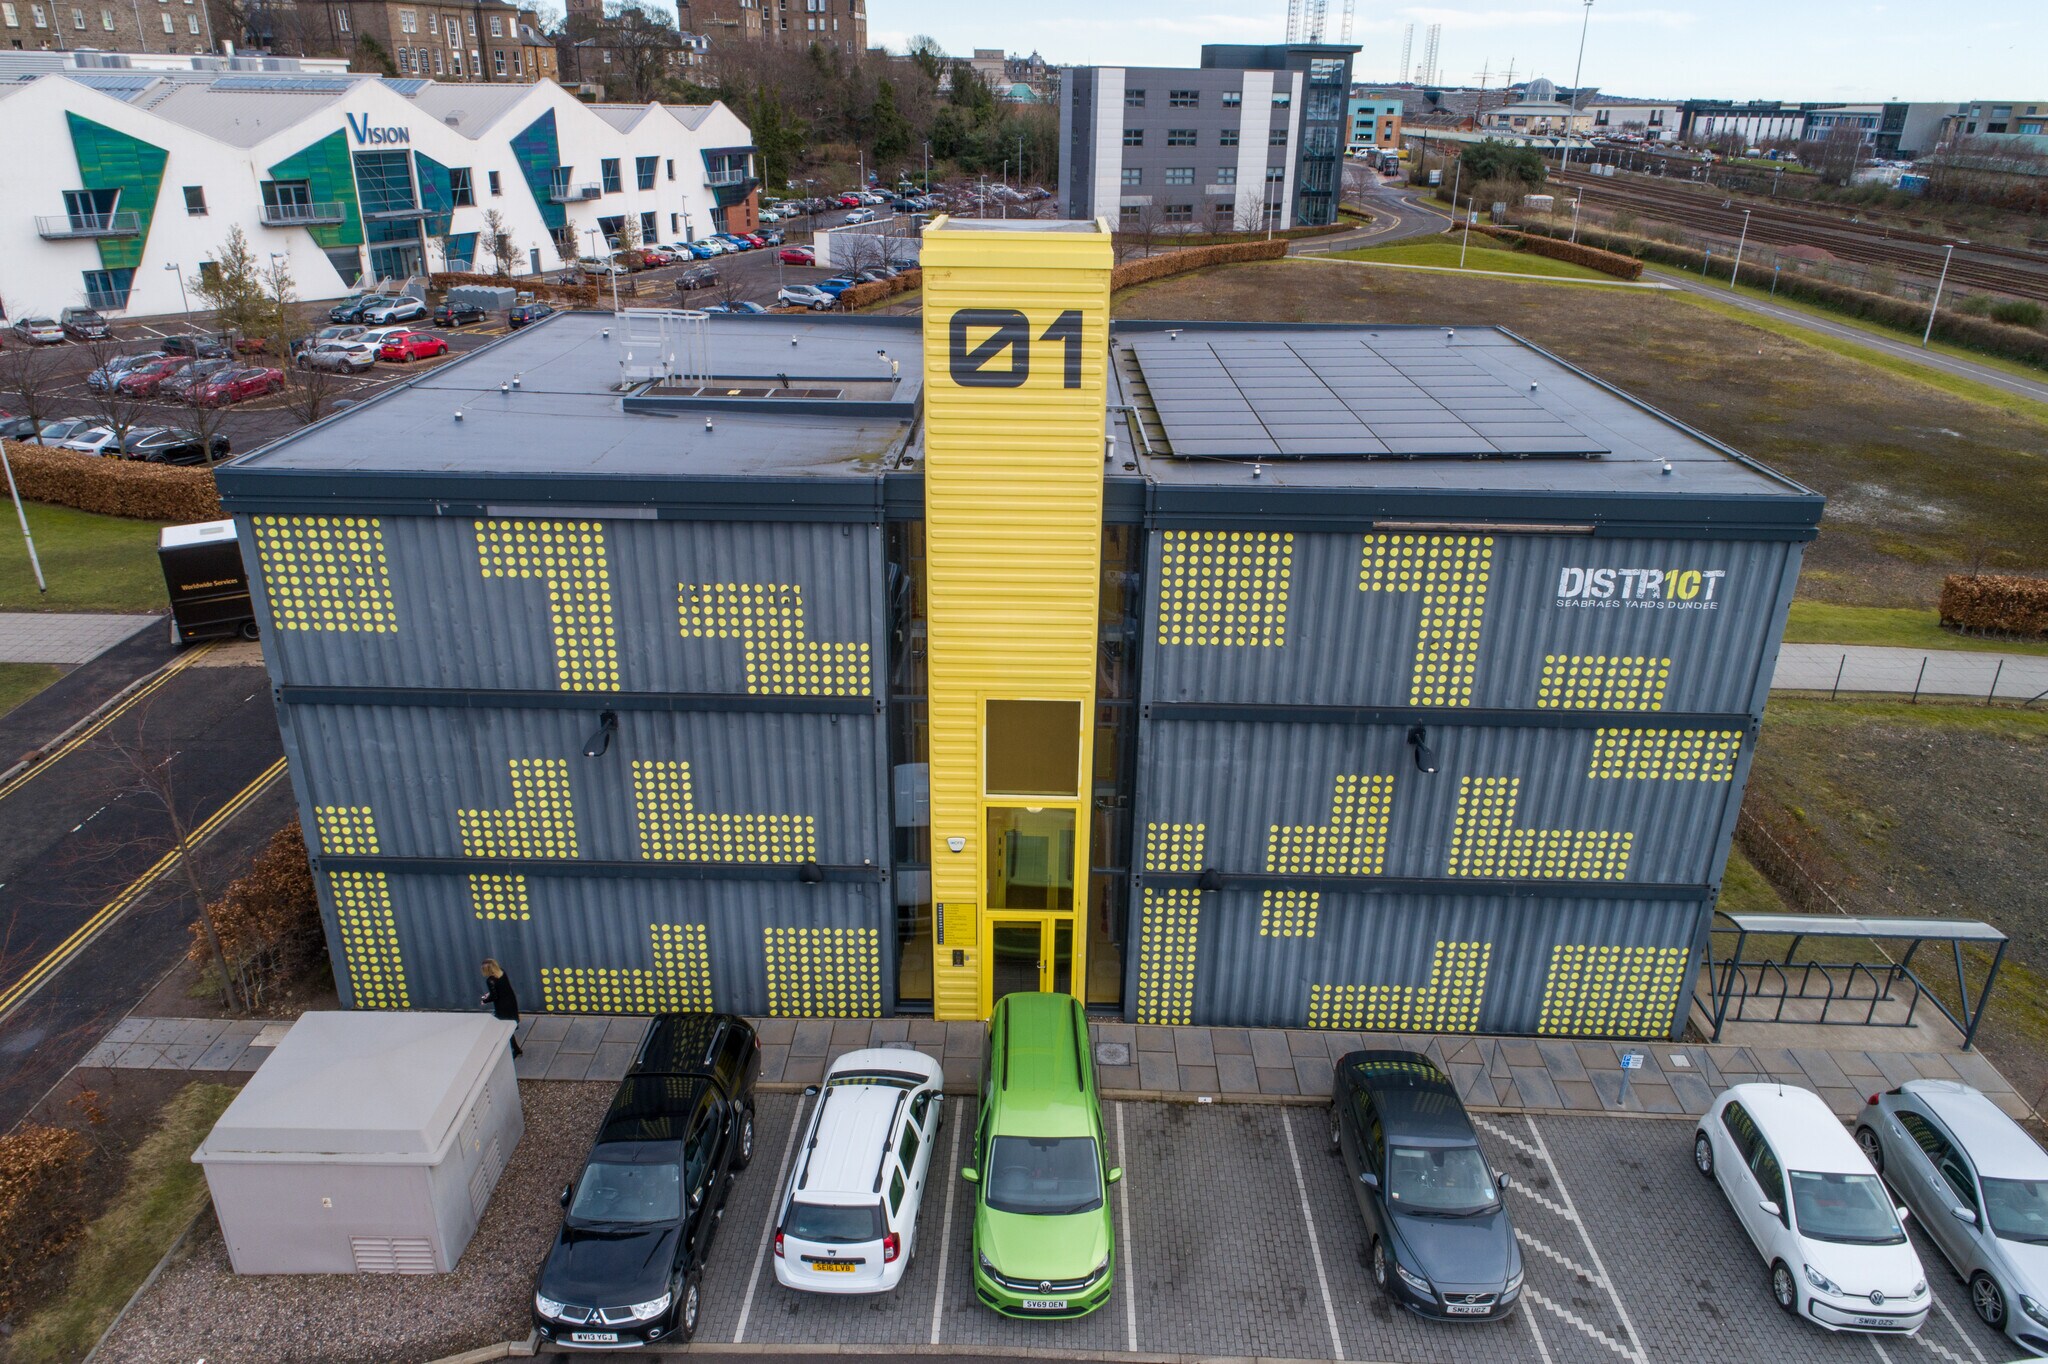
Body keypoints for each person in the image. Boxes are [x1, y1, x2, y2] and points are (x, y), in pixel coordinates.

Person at [481, 958, 522, 1056]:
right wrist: (489, 994)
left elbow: (495, 996)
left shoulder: (490, 980)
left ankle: (515, 1049)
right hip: (511, 1002)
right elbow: (502, 989)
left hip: (502, 1006)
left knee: (505, 1027)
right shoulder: (502, 972)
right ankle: (516, 1049)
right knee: (509, 1026)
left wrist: (484, 1000)